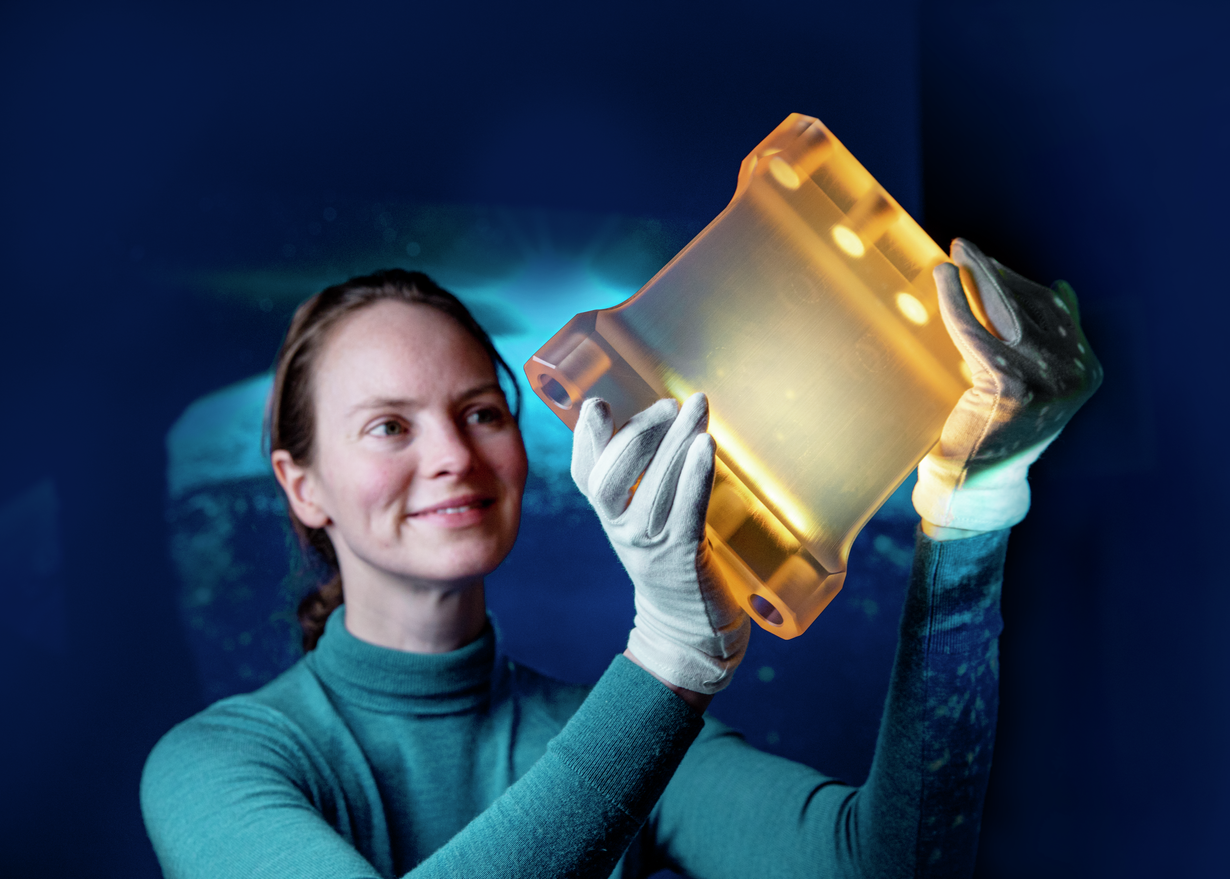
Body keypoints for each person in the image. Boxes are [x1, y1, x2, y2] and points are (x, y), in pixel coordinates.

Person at [140, 239, 1101, 878]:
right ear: (300, 484)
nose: (452, 454)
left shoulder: (613, 734)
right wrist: (671, 660)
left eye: (481, 411)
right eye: (388, 425)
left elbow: (884, 866)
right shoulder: (215, 764)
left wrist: (972, 513)